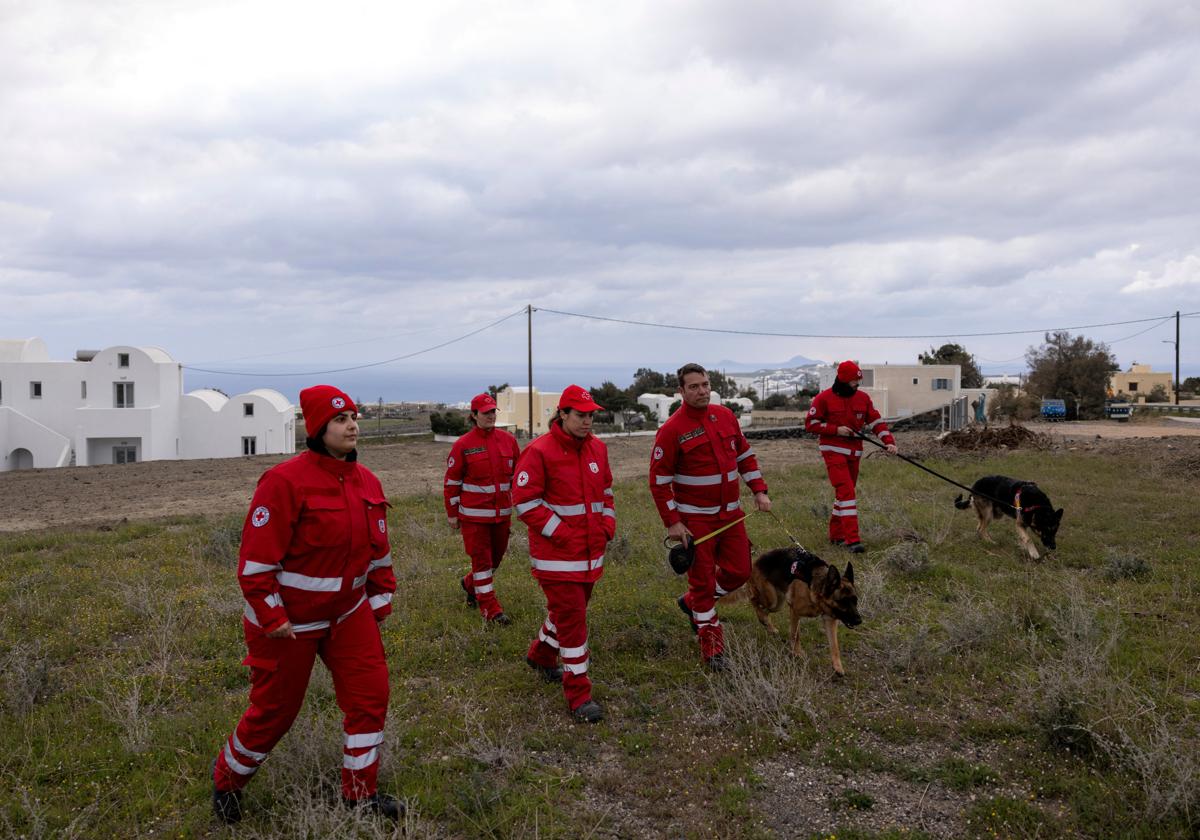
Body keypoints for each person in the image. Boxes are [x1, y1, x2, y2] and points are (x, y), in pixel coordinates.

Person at [210, 385, 401, 823]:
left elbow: (380, 553)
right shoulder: (283, 482)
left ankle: (359, 795)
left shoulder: (368, 481)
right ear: (317, 429)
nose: (352, 424)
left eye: (353, 415)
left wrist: (380, 597)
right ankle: (228, 780)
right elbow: (256, 564)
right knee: (275, 712)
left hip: (349, 615)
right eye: (340, 419)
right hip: (287, 624)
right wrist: (273, 616)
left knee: (371, 699)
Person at [649, 363, 770, 671]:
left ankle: (690, 604)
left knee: (740, 572)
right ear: (681, 391)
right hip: (695, 524)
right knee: (703, 585)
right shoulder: (671, 430)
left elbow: (744, 455)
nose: (701, 391)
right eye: (694, 386)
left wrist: (758, 490)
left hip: (731, 516)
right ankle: (713, 650)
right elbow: (659, 481)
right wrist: (673, 522)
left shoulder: (726, 416)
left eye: (705, 384)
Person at [512, 385, 615, 723]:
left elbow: (607, 492)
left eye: (591, 416)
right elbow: (525, 501)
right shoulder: (539, 451)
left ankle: (541, 655)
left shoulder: (598, 449)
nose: (587, 422)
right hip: (556, 559)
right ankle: (579, 695)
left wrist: (606, 527)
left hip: (590, 555)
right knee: (574, 623)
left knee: (569, 612)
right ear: (563, 414)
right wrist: (562, 533)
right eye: (581, 415)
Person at [444, 392, 521, 624]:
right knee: (482, 563)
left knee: (495, 561)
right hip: (473, 519)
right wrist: (452, 513)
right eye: (485, 412)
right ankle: (491, 611)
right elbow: (452, 482)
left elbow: (519, 476)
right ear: (474, 415)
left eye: (492, 412)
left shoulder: (508, 441)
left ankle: (469, 584)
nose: (490, 416)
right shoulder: (463, 445)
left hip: (502, 516)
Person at [806, 361, 897, 553]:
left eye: (859, 379)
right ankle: (852, 540)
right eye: (855, 380)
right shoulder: (823, 399)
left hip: (854, 454)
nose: (858, 384)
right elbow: (811, 424)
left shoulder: (863, 398)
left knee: (843, 496)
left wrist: (889, 441)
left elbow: (876, 422)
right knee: (847, 492)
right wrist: (836, 430)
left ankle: (836, 534)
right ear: (844, 379)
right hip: (832, 451)